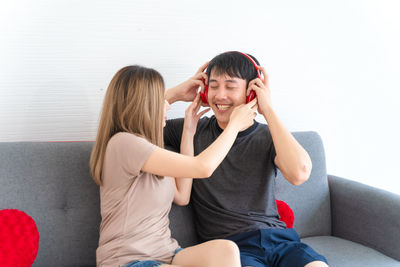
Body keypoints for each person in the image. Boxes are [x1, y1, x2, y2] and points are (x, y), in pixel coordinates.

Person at [164, 51, 329, 267]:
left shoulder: (269, 136)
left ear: (252, 92)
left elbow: (299, 174)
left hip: (281, 241)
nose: (220, 95)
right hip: (232, 250)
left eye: (230, 87)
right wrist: (174, 94)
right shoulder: (192, 127)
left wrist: (267, 108)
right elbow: (129, 120)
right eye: (213, 86)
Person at [90, 65, 258, 267]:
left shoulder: (153, 153)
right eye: (160, 100)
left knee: (226, 250)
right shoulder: (124, 143)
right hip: (128, 261)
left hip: (167, 254)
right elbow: (203, 167)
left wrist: (188, 132)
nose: (168, 106)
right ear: (143, 105)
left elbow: (182, 195)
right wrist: (234, 126)